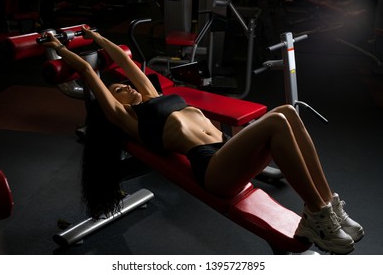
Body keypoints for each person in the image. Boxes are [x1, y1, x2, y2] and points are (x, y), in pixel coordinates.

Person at [42, 27, 364, 254]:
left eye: (122, 85)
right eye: (117, 90)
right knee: (279, 120)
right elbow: (87, 70)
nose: (123, 86)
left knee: (288, 114)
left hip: (228, 153)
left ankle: (328, 206)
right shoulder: (131, 121)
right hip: (212, 169)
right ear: (116, 105)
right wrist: (59, 47)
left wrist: (96, 35)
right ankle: (316, 216)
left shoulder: (153, 96)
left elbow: (126, 63)